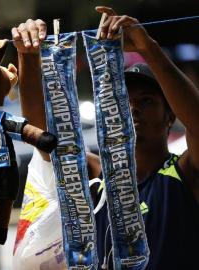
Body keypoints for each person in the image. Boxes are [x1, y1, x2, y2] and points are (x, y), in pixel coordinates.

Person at [12, 6, 199, 270]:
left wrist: (149, 48)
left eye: (146, 101)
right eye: (122, 100)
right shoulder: (95, 174)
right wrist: (28, 56)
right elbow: (44, 137)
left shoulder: (185, 173)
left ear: (170, 116)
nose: (132, 108)